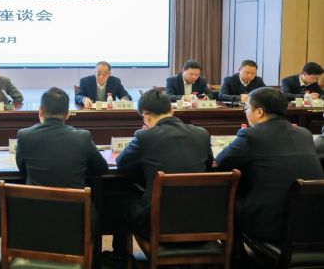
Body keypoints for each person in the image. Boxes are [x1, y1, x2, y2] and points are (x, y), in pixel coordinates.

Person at [215, 87, 324, 243]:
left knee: (226, 200)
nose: (245, 112)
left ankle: (236, 256)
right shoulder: (304, 134)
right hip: (312, 223)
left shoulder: (251, 135)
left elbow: (220, 164)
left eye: (246, 108)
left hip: (272, 225)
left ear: (259, 112)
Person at [116, 88, 213, 237]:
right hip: (201, 221)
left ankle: (120, 251)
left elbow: (121, 163)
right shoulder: (202, 133)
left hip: (157, 223)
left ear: (146, 116)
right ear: (172, 110)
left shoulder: (144, 136)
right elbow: (208, 165)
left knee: (120, 199)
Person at [16, 87, 108, 188]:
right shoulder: (83, 137)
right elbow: (101, 168)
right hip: (74, 198)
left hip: (35, 198)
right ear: (68, 114)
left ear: (40, 111)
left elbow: (23, 170)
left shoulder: (24, 136)